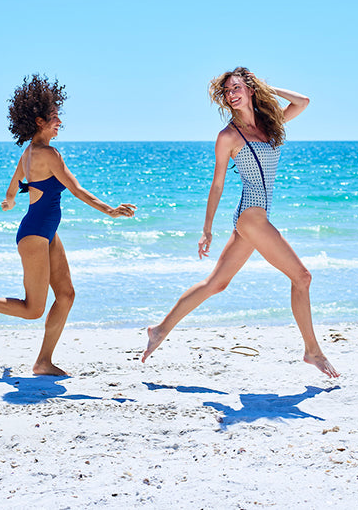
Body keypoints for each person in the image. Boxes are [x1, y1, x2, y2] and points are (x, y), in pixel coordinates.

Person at [142, 67, 339, 378]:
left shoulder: (268, 125)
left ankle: (159, 329)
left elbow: (303, 101)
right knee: (302, 277)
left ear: (249, 89)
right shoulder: (228, 136)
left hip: (257, 216)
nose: (231, 95)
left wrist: (266, 88)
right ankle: (312, 351)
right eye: (227, 92)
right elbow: (217, 184)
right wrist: (207, 229)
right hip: (250, 216)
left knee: (215, 284)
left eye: (237, 88)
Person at [0, 74, 136, 375]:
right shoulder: (48, 154)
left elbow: (12, 188)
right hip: (34, 235)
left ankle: (43, 362)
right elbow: (76, 188)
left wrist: (10, 202)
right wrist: (110, 210)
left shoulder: (28, 154)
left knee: (67, 295)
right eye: (55, 118)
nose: (60, 123)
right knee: (33, 310)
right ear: (40, 120)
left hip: (45, 232)